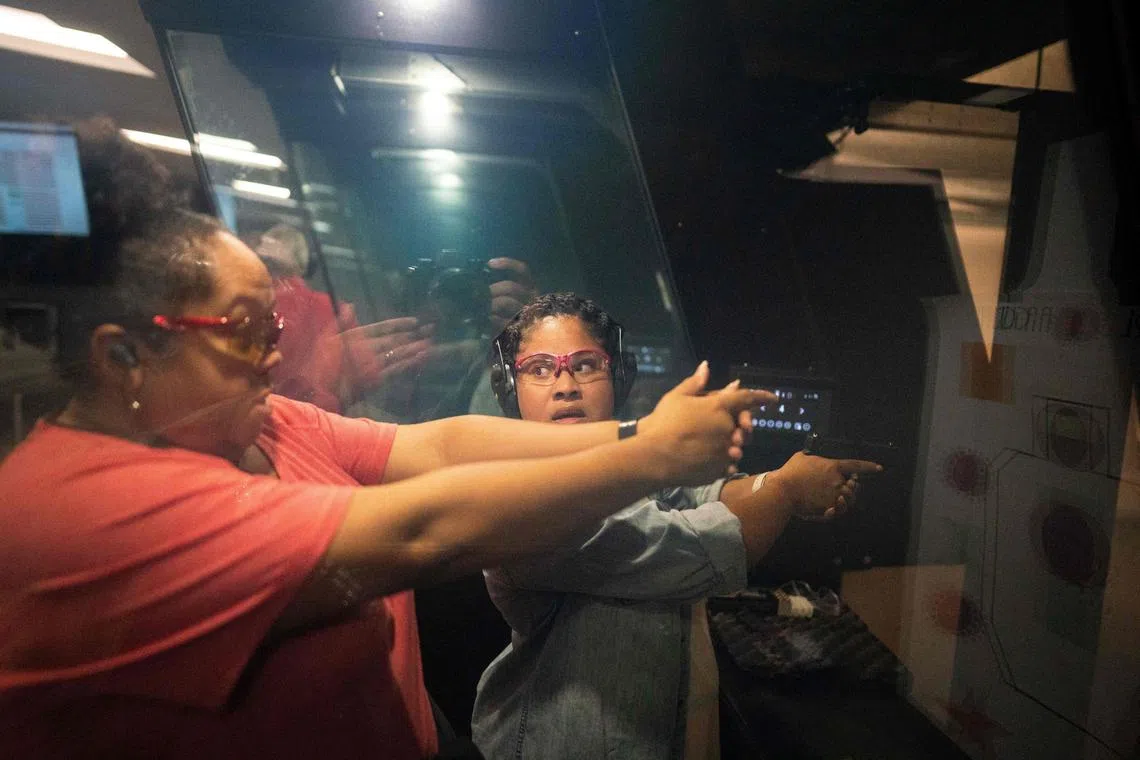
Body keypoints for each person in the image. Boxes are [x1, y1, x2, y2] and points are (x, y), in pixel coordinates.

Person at [0, 121, 768, 760]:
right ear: (121, 356)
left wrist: (641, 427)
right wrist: (651, 456)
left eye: (271, 325)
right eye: (242, 330)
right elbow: (423, 530)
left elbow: (440, 448)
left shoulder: (257, 418)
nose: (274, 351)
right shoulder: (80, 514)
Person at [471, 293, 882, 760]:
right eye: (540, 368)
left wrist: (781, 481)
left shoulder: (617, 461)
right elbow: (693, 545)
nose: (565, 385)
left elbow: (701, 495)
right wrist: (787, 491)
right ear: (510, 384)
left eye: (585, 364)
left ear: (617, 376)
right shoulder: (524, 497)